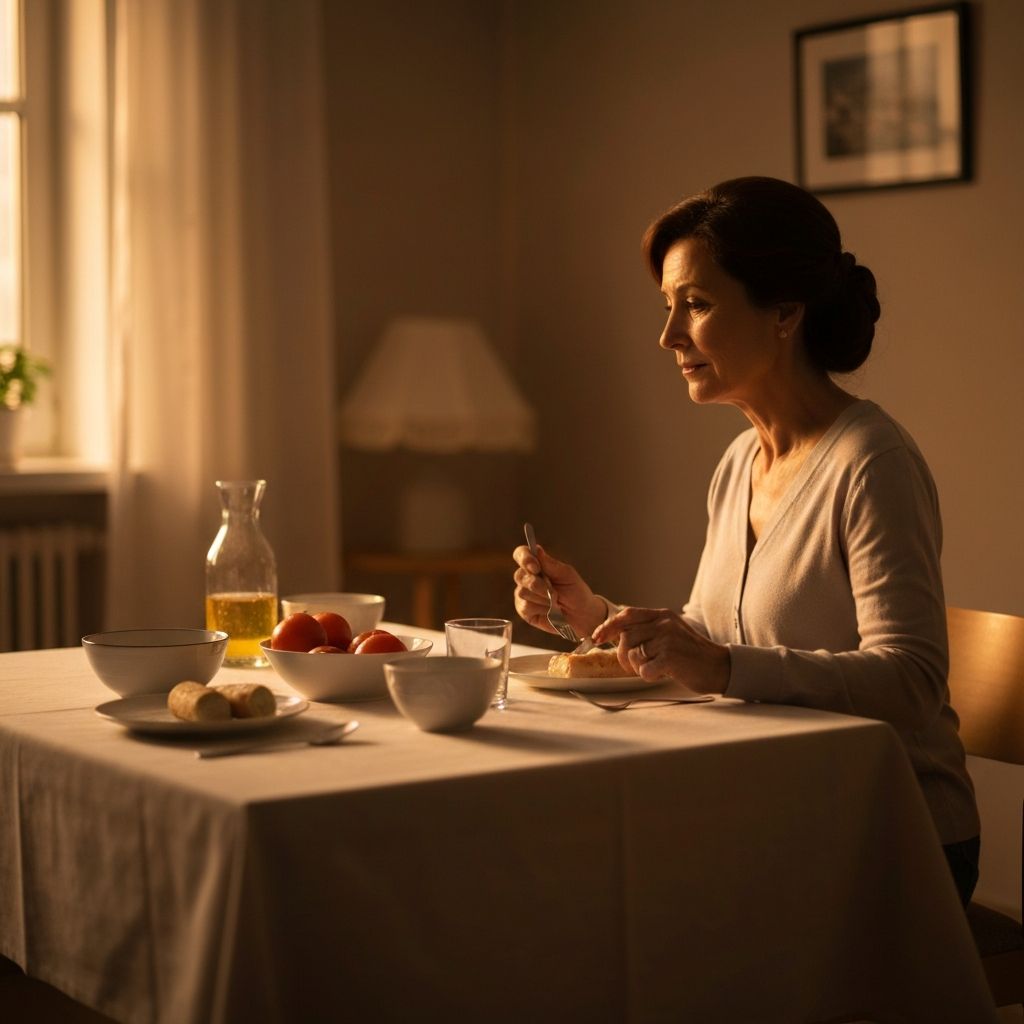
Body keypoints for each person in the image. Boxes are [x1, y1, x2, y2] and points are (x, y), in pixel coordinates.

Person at [511, 176, 980, 906]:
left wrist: (721, 664)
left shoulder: (872, 461)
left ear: (785, 312)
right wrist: (593, 612)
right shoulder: (741, 461)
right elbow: (714, 641)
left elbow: (911, 681)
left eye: (695, 305)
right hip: (773, 807)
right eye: (667, 308)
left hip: (894, 831)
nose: (668, 336)